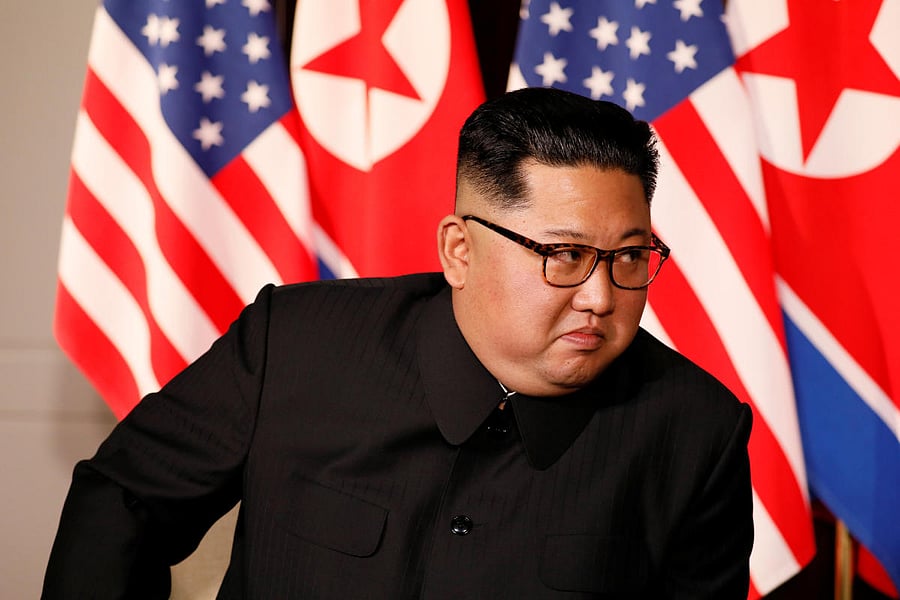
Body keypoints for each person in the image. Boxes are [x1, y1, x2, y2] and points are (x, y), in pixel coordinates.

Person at [43, 87, 753, 599]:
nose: (602, 297)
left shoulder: (696, 430)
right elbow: (123, 501)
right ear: (460, 251)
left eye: (630, 257)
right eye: (564, 255)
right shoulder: (294, 345)